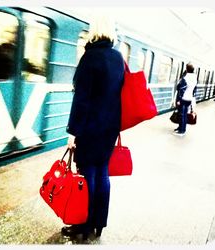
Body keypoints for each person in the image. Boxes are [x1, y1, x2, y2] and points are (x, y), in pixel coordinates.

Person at [61, 15, 125, 241]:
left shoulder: (90, 57)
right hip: (109, 128)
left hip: (90, 128)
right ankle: (99, 222)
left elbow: (82, 99)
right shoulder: (118, 58)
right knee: (102, 172)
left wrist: (73, 132)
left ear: (94, 31)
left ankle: (83, 225)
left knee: (88, 175)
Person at [173, 63, 197, 136]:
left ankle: (182, 131)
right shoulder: (194, 78)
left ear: (186, 69)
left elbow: (181, 89)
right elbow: (195, 89)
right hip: (189, 99)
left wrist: (179, 100)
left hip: (183, 99)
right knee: (184, 115)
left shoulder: (186, 78)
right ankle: (180, 127)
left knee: (182, 115)